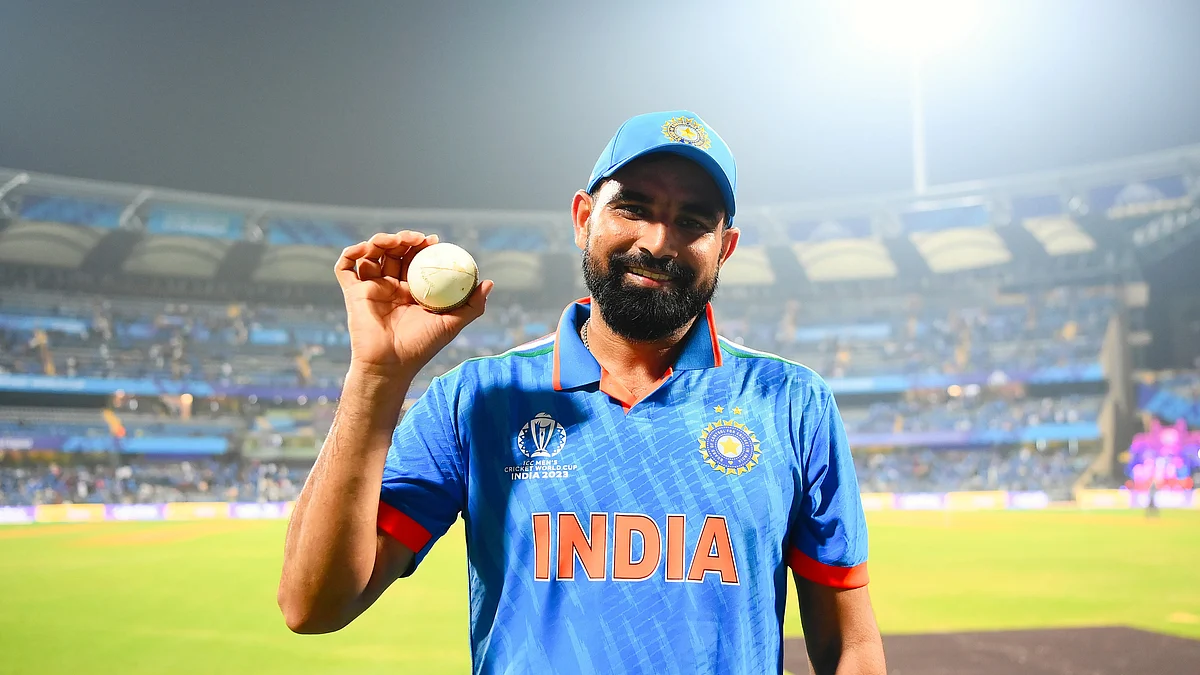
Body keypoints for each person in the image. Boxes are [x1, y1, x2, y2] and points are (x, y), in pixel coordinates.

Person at [278, 110, 886, 674]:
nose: (657, 241)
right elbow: (313, 605)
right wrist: (377, 378)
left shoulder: (790, 401)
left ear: (723, 248)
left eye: (693, 221)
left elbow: (849, 644)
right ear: (582, 218)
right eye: (633, 209)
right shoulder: (478, 397)